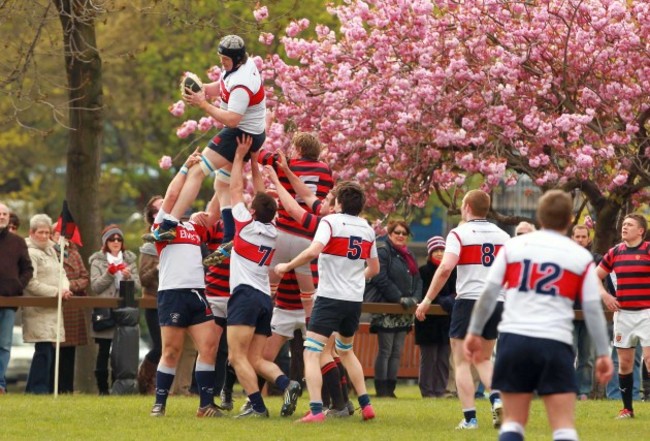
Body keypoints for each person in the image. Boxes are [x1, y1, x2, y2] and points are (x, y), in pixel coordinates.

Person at [464, 189, 613, 441]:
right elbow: (591, 309)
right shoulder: (579, 256)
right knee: (563, 425)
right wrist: (602, 351)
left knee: (512, 423)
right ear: (569, 221)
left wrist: (474, 332)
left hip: (514, 339)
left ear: (539, 218)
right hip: (554, 342)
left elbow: (489, 294)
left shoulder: (513, 247)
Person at [275, 181, 380, 423]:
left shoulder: (330, 222)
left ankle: (315, 411)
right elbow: (374, 268)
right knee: (345, 351)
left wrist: (287, 266)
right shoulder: (367, 228)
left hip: (330, 297)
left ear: (339, 203)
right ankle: (366, 405)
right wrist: (355, 279)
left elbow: (314, 251)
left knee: (311, 352)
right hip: (353, 300)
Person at [153, 34, 266, 249]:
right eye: (220, 58)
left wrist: (203, 104)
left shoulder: (243, 83)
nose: (222, 63)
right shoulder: (239, 66)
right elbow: (222, 85)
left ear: (237, 59)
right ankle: (230, 237)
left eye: (225, 60)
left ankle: (170, 224)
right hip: (250, 133)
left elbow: (232, 119)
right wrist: (201, 89)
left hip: (239, 133)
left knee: (197, 171)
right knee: (222, 183)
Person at [415, 189, 510, 430]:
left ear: (466, 206)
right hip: (495, 300)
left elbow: (445, 268)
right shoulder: (503, 235)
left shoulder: (459, 233)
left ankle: (470, 419)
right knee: (484, 358)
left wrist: (427, 300)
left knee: (461, 363)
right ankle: (497, 398)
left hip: (468, 300)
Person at [224, 135, 300, 418]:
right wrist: (255, 161)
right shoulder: (273, 229)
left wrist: (238, 156)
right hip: (264, 299)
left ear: (253, 211)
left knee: (236, 356)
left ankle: (257, 407)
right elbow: (261, 195)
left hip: (244, 295)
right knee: (254, 358)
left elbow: (234, 188)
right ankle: (287, 383)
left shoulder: (244, 226)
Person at [148, 150, 224, 418]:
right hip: (173, 294)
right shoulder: (162, 226)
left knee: (209, 346)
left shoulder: (192, 227)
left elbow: (215, 211)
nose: (172, 204)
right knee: (171, 350)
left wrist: (224, 171)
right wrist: (185, 168)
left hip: (197, 293)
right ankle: (160, 403)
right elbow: (171, 196)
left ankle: (205, 405)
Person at [258, 133, 333, 313]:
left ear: (299, 149)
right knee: (308, 298)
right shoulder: (326, 170)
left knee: (267, 290)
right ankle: (312, 336)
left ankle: (260, 328)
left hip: (282, 233)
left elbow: (259, 154)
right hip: (308, 236)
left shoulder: (286, 163)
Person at [596, 213, 650, 419]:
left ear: (641, 231)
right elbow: (595, 276)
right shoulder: (615, 252)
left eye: (630, 225)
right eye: (623, 224)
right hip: (623, 315)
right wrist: (604, 295)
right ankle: (627, 409)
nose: (624, 227)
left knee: (648, 360)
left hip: (647, 314)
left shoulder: (648, 249)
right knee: (625, 363)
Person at [368, 220, 422, 398]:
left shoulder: (409, 255)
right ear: (389, 234)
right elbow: (379, 277)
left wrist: (415, 298)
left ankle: (391, 389)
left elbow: (418, 279)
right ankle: (381, 389)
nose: (400, 235)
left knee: (397, 351)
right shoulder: (383, 252)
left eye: (404, 233)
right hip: (386, 307)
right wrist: (398, 298)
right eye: (397, 232)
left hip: (405, 310)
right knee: (386, 350)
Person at [23, 214, 72, 394]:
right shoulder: (29, 253)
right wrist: (55, 292)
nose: (44, 236)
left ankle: (36, 388)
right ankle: (38, 389)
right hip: (39, 308)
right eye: (40, 232)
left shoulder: (53, 250)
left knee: (49, 350)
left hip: (54, 308)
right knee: (43, 350)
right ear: (32, 233)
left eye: (47, 232)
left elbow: (63, 274)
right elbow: (30, 283)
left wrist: (65, 289)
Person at [89, 224, 140, 395]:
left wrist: (129, 277)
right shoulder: (97, 261)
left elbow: (138, 286)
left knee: (121, 353)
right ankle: (102, 389)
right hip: (105, 310)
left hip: (125, 311)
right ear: (106, 242)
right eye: (112, 239)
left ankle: (118, 388)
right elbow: (95, 287)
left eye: (119, 238)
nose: (116, 241)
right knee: (103, 351)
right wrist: (109, 273)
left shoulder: (130, 260)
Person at [415, 235, 456, 398]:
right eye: (436, 250)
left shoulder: (453, 271)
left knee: (443, 358)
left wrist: (448, 300)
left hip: (446, 321)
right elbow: (423, 292)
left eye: (442, 250)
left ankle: (440, 390)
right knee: (429, 358)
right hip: (428, 321)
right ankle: (427, 390)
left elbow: (456, 291)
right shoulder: (423, 271)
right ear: (429, 253)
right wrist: (440, 300)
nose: (439, 253)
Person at [50, 225, 89, 394]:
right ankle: (51, 387)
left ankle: (67, 388)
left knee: (69, 352)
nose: (61, 237)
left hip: (72, 307)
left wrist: (70, 287)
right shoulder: (49, 254)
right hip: (54, 307)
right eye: (58, 233)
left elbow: (84, 277)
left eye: (64, 234)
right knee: (53, 351)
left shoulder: (74, 254)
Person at [0, 203, 33, 394]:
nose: (2, 217)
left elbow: (28, 269)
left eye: (5, 214)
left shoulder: (18, 242)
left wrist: (17, 286)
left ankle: (0, 384)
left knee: (4, 345)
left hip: (9, 303)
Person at [137, 195, 163, 394]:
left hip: (172, 298)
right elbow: (144, 279)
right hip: (154, 300)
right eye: (159, 207)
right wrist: (158, 268)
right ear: (153, 216)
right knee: (160, 346)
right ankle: (144, 380)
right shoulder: (149, 245)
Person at [570, 224, 598, 400]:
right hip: (568, 314)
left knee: (587, 357)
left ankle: (583, 392)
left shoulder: (597, 259)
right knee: (568, 353)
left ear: (589, 239)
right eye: (577, 236)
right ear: (572, 238)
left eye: (583, 237)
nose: (580, 240)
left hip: (589, 314)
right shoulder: (564, 259)